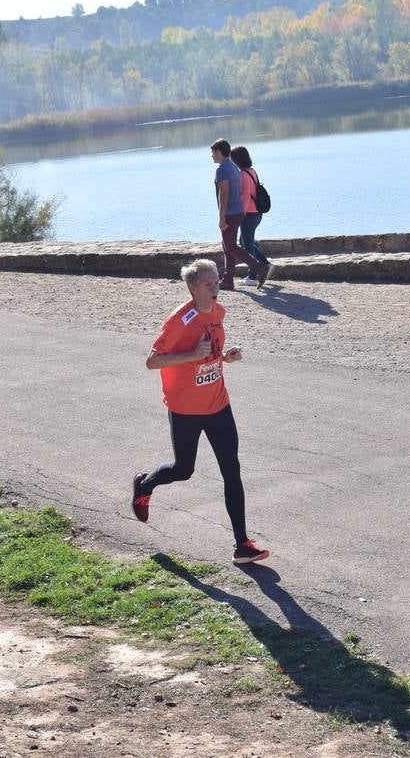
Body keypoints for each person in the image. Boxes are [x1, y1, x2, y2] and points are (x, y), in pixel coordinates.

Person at [131, 258, 270, 565]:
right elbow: (152, 361)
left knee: (231, 470)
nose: (216, 288)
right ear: (193, 288)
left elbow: (212, 352)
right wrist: (191, 355)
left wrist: (226, 356)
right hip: (185, 408)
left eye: (217, 282)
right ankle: (145, 484)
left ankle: (242, 545)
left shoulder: (218, 311)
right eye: (209, 284)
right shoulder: (180, 320)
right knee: (184, 469)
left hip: (218, 403)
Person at [210, 138, 268, 290]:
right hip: (239, 212)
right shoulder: (234, 168)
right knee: (227, 247)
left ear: (218, 152)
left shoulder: (221, 169)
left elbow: (224, 193)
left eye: (212, 152)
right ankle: (228, 279)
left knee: (231, 247)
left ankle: (259, 267)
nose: (211, 156)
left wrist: (221, 216)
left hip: (229, 213)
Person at [231, 145, 271, 282]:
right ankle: (266, 264)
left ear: (236, 160)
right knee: (245, 242)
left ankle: (253, 275)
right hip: (257, 213)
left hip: (249, 214)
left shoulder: (243, 174)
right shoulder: (252, 171)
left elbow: (246, 197)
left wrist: (239, 215)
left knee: (247, 245)